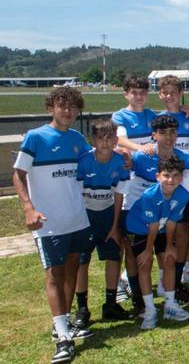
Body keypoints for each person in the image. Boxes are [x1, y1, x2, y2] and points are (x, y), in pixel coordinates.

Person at [13, 87, 93, 363]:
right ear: (51, 108)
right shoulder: (36, 137)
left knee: (72, 271)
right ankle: (63, 338)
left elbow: (92, 162)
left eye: (72, 107)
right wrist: (28, 207)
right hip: (49, 223)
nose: (67, 111)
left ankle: (64, 323)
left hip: (76, 219)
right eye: (62, 106)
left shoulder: (77, 139)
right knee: (54, 275)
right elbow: (18, 175)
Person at [123, 115, 189, 314]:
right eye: (163, 133)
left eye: (173, 132)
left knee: (173, 245)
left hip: (163, 214)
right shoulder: (141, 156)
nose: (169, 137)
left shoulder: (182, 157)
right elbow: (122, 159)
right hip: (137, 212)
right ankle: (138, 297)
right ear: (154, 135)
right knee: (133, 254)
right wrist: (125, 151)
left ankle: (172, 288)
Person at [73, 118, 131, 329]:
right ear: (93, 140)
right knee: (81, 261)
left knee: (114, 257)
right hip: (85, 215)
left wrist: (115, 226)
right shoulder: (84, 161)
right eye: (100, 138)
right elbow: (76, 195)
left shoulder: (120, 162)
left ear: (116, 140)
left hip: (108, 214)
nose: (105, 143)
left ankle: (110, 303)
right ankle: (82, 308)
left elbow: (118, 196)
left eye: (109, 139)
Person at [125, 155, 189, 330]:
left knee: (170, 259)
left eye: (176, 175)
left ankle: (170, 305)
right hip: (138, 229)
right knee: (145, 263)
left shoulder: (183, 194)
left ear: (182, 177)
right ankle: (149, 309)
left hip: (161, 228)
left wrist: (169, 246)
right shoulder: (150, 195)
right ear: (158, 176)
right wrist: (148, 250)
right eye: (166, 175)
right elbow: (152, 225)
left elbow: (171, 223)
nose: (171, 180)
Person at [157, 75, 189, 296]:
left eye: (173, 92)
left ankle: (183, 270)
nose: (169, 96)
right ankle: (163, 276)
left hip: (186, 187)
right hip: (164, 187)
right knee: (162, 233)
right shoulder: (155, 119)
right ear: (159, 94)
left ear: (180, 94)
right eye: (165, 92)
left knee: (183, 230)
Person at [112, 75, 158, 153]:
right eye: (134, 92)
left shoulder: (152, 115)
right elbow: (120, 139)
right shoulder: (119, 116)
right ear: (126, 94)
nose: (139, 96)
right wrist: (141, 148)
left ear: (147, 94)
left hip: (147, 162)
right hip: (129, 163)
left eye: (142, 92)